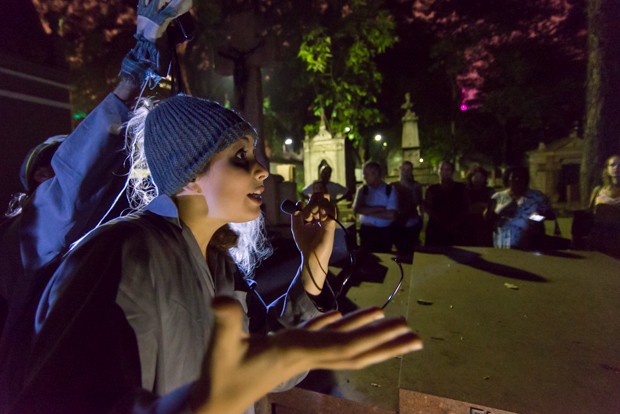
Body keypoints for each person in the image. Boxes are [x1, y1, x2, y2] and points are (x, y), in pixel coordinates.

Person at [13, 95, 422, 414]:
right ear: (189, 175)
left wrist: (313, 259)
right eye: (240, 157)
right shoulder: (121, 252)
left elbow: (259, 370)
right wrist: (199, 404)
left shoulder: (218, 262)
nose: (262, 170)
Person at [0, 0, 192, 409]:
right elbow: (75, 178)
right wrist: (134, 73)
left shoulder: (108, 231)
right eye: (70, 154)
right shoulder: (28, 235)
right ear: (39, 176)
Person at [488, 166, 555, 249]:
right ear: (507, 179)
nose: (517, 180)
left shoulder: (536, 196)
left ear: (526, 179)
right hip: (503, 241)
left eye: (521, 177)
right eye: (514, 177)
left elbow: (550, 215)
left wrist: (535, 217)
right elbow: (490, 218)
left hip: (530, 241)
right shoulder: (498, 197)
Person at [353, 161, 398, 253]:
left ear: (376, 174)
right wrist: (380, 208)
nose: (364, 177)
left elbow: (391, 215)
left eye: (366, 174)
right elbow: (356, 209)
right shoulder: (362, 190)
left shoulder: (389, 190)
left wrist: (366, 210)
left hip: (384, 233)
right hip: (366, 233)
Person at [424, 160, 469, 246]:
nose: (444, 172)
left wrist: (456, 222)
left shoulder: (461, 188)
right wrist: (440, 221)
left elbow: (466, 206)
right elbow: (428, 207)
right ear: (438, 171)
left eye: (447, 169)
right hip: (436, 228)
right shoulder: (431, 189)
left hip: (457, 227)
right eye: (442, 169)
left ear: (452, 172)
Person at [586, 154, 620, 257]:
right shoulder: (598, 190)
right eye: (612, 165)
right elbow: (590, 212)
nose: (616, 168)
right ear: (607, 168)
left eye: (619, 165)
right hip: (600, 236)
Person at [392, 161, 423, 261]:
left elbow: (419, 203)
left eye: (408, 169)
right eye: (403, 169)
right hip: (398, 223)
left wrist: (420, 219)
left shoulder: (416, 186)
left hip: (412, 222)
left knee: (412, 251)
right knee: (401, 251)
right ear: (399, 170)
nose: (406, 172)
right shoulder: (392, 186)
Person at [461, 165, 494, 246]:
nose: (478, 180)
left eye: (481, 177)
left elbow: (491, 207)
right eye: (476, 176)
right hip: (468, 225)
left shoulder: (489, 191)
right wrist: (481, 206)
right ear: (471, 177)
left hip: (485, 225)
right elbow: (467, 208)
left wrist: (483, 206)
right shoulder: (465, 191)